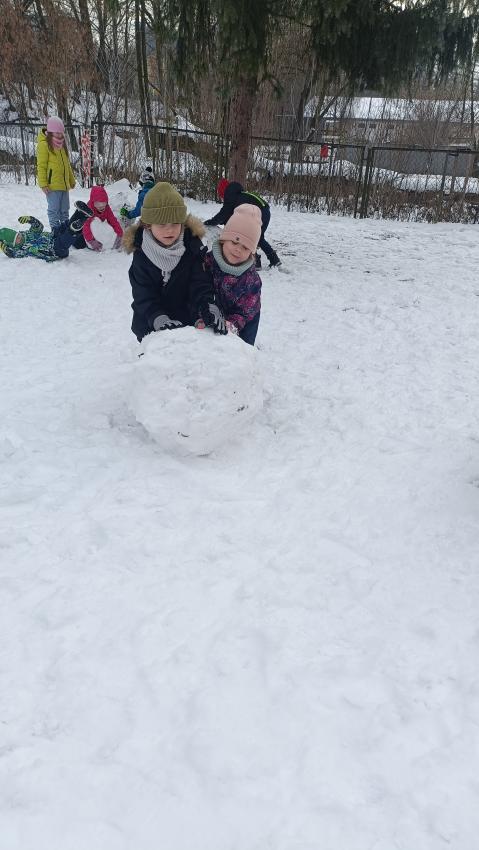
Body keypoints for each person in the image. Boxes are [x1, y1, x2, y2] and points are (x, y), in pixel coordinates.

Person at [124, 181, 225, 342]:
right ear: (148, 225)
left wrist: (207, 305)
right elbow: (143, 295)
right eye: (162, 224)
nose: (169, 230)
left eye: (175, 223)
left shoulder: (192, 247)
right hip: (151, 322)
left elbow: (200, 283)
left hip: (186, 321)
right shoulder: (142, 256)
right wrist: (157, 317)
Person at [202, 203, 262, 346]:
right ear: (223, 240)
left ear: (252, 252)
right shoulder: (208, 261)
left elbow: (245, 311)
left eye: (246, 247)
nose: (238, 250)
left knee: (241, 348)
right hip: (214, 311)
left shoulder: (251, 280)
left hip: (244, 320)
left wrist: (231, 324)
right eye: (235, 242)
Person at [204, 179, 281, 269]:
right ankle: (273, 260)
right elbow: (228, 215)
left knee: (251, 237)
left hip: (260, 212)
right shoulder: (239, 195)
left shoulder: (231, 196)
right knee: (258, 238)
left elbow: (224, 214)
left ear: (224, 192)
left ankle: (257, 262)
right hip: (265, 211)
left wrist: (211, 222)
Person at [0, 202, 93, 262]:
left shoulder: (26, 234)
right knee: (62, 241)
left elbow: (38, 228)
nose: (19, 237)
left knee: (61, 228)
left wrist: (31, 220)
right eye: (16, 239)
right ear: (13, 245)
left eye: (18, 235)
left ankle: (80, 214)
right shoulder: (21, 250)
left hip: (51, 237)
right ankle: (74, 229)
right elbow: (13, 254)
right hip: (53, 251)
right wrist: (6, 250)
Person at [36, 116, 76, 230]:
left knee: (65, 210)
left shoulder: (61, 145)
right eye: (57, 133)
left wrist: (71, 180)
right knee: (54, 210)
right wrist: (43, 184)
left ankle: (65, 230)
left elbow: (67, 165)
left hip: (64, 185)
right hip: (52, 186)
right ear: (50, 132)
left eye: (61, 132)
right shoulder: (44, 145)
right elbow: (41, 166)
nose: (59, 135)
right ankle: (55, 231)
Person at [73, 185, 123, 251]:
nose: (101, 207)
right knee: (79, 244)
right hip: (83, 227)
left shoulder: (107, 208)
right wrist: (91, 241)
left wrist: (120, 234)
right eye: (98, 204)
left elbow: (113, 220)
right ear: (93, 202)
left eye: (104, 204)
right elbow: (86, 226)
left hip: (97, 228)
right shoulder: (89, 209)